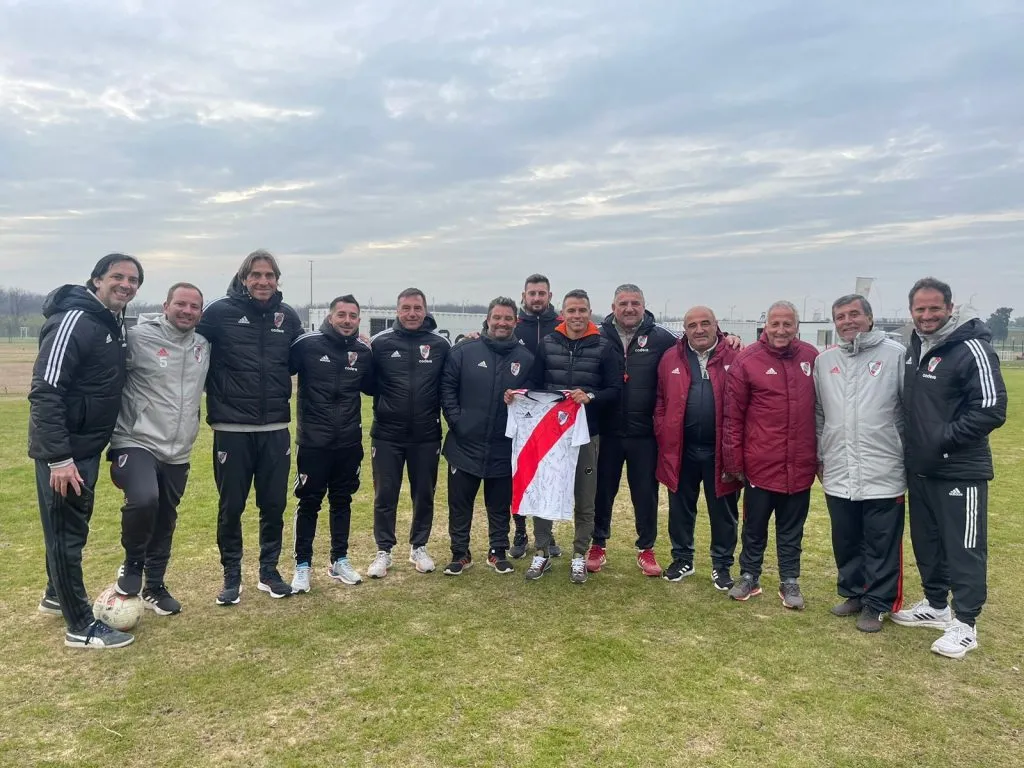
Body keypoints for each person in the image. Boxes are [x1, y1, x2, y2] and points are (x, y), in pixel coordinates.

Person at [30, 253, 143, 649]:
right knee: (66, 535)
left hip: (87, 448)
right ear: (97, 279)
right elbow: (46, 391)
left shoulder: (109, 322)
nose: (126, 285)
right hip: (66, 454)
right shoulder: (74, 320)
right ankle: (80, 626)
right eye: (118, 276)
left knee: (70, 528)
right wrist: (59, 459)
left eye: (133, 280)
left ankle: (55, 594)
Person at [891, 278, 1006, 658]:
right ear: (911, 312)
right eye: (920, 309)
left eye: (934, 308)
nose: (927, 315)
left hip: (960, 471)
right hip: (921, 469)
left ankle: (966, 623)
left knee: (965, 547)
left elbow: (990, 409)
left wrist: (941, 440)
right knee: (928, 542)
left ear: (950, 307)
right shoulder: (914, 348)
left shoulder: (972, 347)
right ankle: (936, 606)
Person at [197, 250, 303, 604]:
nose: (263, 281)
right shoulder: (218, 313)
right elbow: (186, 342)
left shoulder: (286, 317)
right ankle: (231, 576)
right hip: (232, 429)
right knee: (231, 507)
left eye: (270, 275)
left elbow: (307, 354)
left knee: (273, 505)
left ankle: (269, 571)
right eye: (256, 275)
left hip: (275, 429)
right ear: (244, 278)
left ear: (277, 280)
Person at [107, 282, 209, 617]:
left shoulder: (203, 346)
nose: (187, 311)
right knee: (144, 499)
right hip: (136, 439)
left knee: (165, 517)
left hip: (178, 448)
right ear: (165, 306)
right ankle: (132, 564)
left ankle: (155, 586)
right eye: (181, 304)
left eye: (194, 307)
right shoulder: (139, 338)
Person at [814, 294, 907, 633]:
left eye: (854, 314)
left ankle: (879, 603)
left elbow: (908, 412)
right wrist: (821, 454)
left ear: (870, 317)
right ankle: (853, 591)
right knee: (847, 537)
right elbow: (820, 414)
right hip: (839, 467)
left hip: (883, 466)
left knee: (881, 541)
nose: (847, 321)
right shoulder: (825, 362)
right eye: (840, 316)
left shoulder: (896, 356)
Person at [722, 300, 818, 608]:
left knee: (792, 529)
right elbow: (732, 417)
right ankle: (749, 575)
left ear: (796, 326)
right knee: (754, 527)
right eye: (775, 324)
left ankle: (790, 581)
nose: (781, 330)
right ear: (766, 325)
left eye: (787, 324)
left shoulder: (811, 357)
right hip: (760, 464)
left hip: (800, 464)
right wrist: (734, 462)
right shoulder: (747, 360)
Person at [526, 289, 623, 582]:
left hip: (586, 434)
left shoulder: (604, 347)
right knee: (545, 491)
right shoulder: (548, 343)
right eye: (571, 311)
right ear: (563, 314)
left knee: (585, 495)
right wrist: (517, 395)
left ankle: (579, 554)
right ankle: (541, 551)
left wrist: (591, 396)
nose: (577, 316)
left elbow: (615, 390)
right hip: (551, 434)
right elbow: (534, 382)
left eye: (582, 310)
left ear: (590, 312)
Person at [440, 297, 537, 575]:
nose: (502, 323)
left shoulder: (526, 358)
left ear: (515, 321)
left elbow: (532, 399)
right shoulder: (464, 350)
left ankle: (497, 551)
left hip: (503, 446)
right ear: (488, 319)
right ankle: (460, 553)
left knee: (498, 505)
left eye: (508, 318)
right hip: (464, 444)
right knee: (460, 505)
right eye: (497, 317)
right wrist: (458, 422)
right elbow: (447, 387)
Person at [588, 284, 678, 577]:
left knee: (645, 494)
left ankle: (646, 548)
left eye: (635, 303)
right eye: (623, 303)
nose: (629, 308)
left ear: (644, 305)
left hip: (644, 434)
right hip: (607, 431)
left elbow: (695, 345)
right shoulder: (596, 335)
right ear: (613, 307)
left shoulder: (662, 338)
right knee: (602, 491)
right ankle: (598, 544)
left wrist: (730, 339)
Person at [288, 294, 374, 592]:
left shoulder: (364, 351)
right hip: (313, 442)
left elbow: (375, 385)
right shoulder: (307, 344)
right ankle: (302, 566)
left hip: (349, 442)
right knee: (309, 501)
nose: (347, 320)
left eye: (353, 315)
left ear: (359, 319)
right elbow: (278, 368)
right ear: (331, 316)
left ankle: (339, 560)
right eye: (342, 315)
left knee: (342, 501)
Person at [365, 288, 452, 578]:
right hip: (387, 434)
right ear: (397, 311)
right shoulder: (380, 343)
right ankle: (384, 551)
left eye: (417, 308)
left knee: (424, 493)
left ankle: (419, 547)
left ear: (425, 310)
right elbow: (366, 382)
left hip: (426, 434)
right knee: (385, 494)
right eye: (406, 308)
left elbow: (452, 380)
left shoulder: (440, 345)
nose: (412, 313)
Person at [654, 306, 742, 590]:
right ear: (685, 329)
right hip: (681, 449)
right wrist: (662, 428)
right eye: (692, 325)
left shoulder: (737, 355)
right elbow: (660, 400)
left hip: (721, 450)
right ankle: (682, 559)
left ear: (717, 325)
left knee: (723, 512)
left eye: (705, 323)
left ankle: (722, 565)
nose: (699, 329)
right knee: (680, 509)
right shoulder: (670, 358)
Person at [509, 273, 563, 558]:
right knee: (518, 472)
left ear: (550, 296)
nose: (537, 298)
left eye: (542, 293)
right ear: (524, 296)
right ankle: (519, 531)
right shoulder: (512, 324)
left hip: (552, 412)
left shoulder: (562, 325)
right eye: (532, 293)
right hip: (518, 410)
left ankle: (547, 532)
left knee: (546, 474)